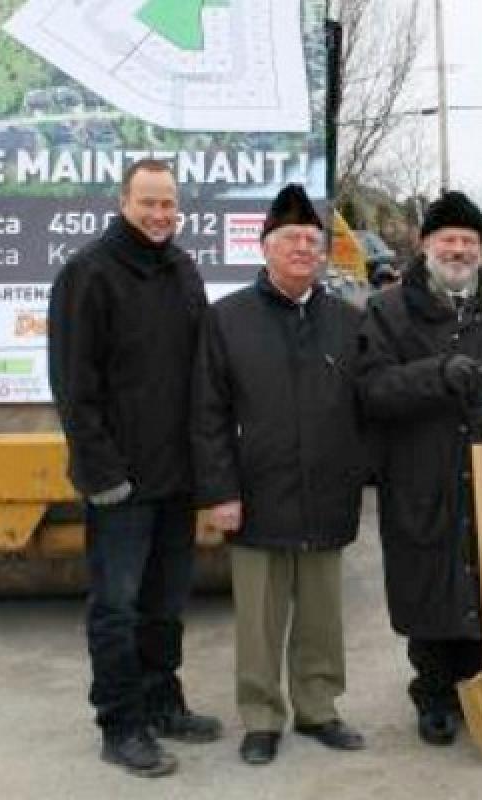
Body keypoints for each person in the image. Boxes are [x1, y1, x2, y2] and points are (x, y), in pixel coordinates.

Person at [47, 159, 222, 777]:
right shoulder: (87, 272)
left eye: (168, 204)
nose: (159, 214)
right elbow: (73, 387)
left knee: (166, 603)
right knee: (117, 607)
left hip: (176, 478)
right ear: (124, 201)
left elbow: (202, 372)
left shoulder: (182, 269)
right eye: (148, 202)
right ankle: (121, 724)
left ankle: (162, 702)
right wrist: (103, 475)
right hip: (120, 482)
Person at [192, 184, 368, 766]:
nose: (301, 248)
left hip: (326, 492)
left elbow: (366, 405)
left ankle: (319, 709)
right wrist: (220, 492)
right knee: (259, 622)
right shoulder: (227, 319)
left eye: (311, 240)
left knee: (321, 616)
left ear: (323, 252)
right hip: (256, 493)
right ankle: (261, 717)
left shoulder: (347, 321)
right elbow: (208, 413)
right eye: (289, 238)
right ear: (264, 247)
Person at [355, 190, 482, 746]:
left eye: (469, 240)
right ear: (425, 243)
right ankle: (432, 689)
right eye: (448, 238)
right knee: (427, 578)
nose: (458, 249)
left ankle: (472, 680)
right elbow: (372, 389)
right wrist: (437, 374)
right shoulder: (387, 310)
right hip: (420, 471)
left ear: (481, 248)